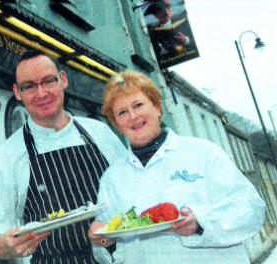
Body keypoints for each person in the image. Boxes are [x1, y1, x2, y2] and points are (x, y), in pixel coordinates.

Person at [88, 70, 266, 264]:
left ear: (157, 107)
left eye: (138, 105)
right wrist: (104, 241)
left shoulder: (203, 153)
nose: (133, 116)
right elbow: (107, 251)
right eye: (122, 112)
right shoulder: (112, 178)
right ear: (116, 124)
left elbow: (251, 211)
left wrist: (199, 223)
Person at [0, 50, 127, 264]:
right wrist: (8, 246)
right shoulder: (8, 156)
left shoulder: (100, 133)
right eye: (29, 86)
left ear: (63, 80)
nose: (41, 94)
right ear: (18, 92)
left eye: (48, 81)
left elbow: (134, 191)